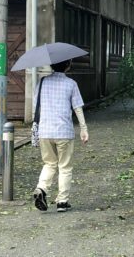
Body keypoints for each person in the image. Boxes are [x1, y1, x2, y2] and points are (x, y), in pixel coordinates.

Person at [32, 59, 89, 212]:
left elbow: (35, 104)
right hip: (64, 131)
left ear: (51, 65)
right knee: (64, 166)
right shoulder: (71, 84)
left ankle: (42, 188)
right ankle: (62, 202)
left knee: (49, 163)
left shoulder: (42, 82)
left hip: (45, 131)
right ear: (68, 65)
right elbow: (78, 108)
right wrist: (83, 129)